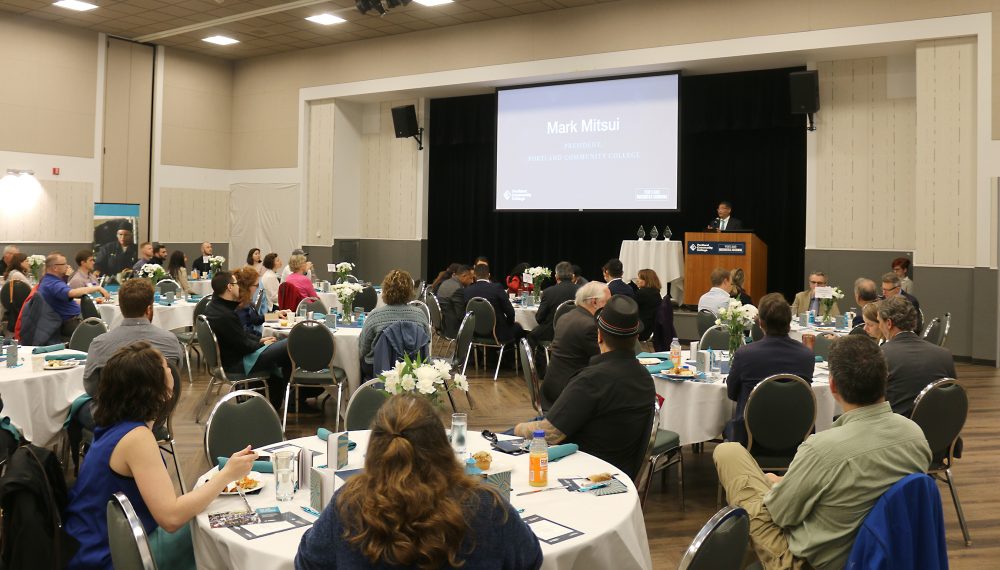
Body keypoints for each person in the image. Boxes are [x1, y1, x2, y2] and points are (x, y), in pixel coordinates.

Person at [713, 335, 931, 570]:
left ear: (833, 385)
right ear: (885, 380)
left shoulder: (822, 449)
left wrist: (774, 485)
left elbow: (780, 516)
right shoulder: (916, 435)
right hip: (881, 553)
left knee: (728, 453)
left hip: (809, 563)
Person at [65, 342, 258, 570]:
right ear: (157, 390)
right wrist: (226, 475)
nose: (171, 370)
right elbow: (171, 518)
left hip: (90, 541)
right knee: (219, 525)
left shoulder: (114, 426)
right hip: (114, 554)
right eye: (166, 366)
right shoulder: (137, 438)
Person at [295, 395, 542, 570]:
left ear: (375, 450)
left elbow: (307, 562)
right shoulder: (486, 506)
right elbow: (530, 559)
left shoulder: (349, 505)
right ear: (442, 447)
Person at [515, 295, 655, 480]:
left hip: (583, 472)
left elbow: (549, 434)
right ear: (636, 337)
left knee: (505, 442)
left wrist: (517, 430)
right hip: (620, 472)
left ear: (599, 336)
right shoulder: (645, 377)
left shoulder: (592, 380)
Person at [724, 293, 815, 445]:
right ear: (789, 323)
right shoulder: (806, 355)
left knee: (728, 427)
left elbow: (732, 393)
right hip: (797, 437)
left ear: (760, 323)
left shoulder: (745, 354)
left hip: (751, 438)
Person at [204, 271, 294, 409]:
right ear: (230, 287)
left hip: (236, 354)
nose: (258, 289)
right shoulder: (233, 309)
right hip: (239, 361)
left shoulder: (217, 307)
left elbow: (246, 328)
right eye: (256, 285)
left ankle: (281, 400)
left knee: (284, 349)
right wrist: (260, 343)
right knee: (291, 343)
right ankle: (289, 400)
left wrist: (262, 338)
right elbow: (243, 343)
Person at [83, 279, 183, 395]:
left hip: (113, 404)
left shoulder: (99, 344)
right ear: (149, 309)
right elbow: (175, 377)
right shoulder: (170, 341)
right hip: (158, 403)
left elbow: (91, 388)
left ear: (121, 308)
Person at [878, 296, 956, 417]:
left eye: (879, 322)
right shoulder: (944, 355)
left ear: (888, 323)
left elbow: (870, 402)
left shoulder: (880, 355)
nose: (879, 327)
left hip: (897, 426)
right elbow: (952, 398)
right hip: (937, 425)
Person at [540, 281, 610, 409]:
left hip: (551, 385)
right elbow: (605, 360)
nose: (609, 307)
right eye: (607, 302)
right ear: (594, 302)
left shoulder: (565, 317)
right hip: (568, 392)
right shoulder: (589, 326)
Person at [358, 270, 430, 378]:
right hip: (413, 368)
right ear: (410, 291)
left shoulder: (375, 316)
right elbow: (426, 342)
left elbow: (363, 349)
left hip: (378, 369)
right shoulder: (420, 315)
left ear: (385, 290)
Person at [38, 252, 109, 338]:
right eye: (64, 264)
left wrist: (93, 300)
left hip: (70, 321)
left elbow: (70, 300)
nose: (67, 266)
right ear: (55, 268)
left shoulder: (50, 281)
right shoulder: (53, 283)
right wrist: (97, 288)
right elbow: (71, 293)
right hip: (68, 324)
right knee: (103, 333)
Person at [461, 263, 525, 344]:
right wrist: (509, 324)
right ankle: (511, 352)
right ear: (489, 275)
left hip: (475, 335)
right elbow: (510, 312)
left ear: (475, 276)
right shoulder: (497, 288)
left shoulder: (467, 291)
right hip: (498, 335)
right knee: (518, 328)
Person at [529, 261, 580, 344]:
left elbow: (539, 318)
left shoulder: (548, 292)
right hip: (576, 332)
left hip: (552, 333)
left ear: (556, 276)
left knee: (531, 335)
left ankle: (541, 352)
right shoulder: (581, 291)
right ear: (572, 276)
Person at [436, 264, 472, 338]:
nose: (471, 281)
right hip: (453, 328)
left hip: (444, 324)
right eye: (470, 278)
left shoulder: (446, 282)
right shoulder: (457, 288)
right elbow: (460, 315)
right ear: (464, 276)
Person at [234, 266, 266, 337]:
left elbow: (256, 319)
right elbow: (245, 334)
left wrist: (275, 315)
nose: (258, 288)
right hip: (250, 341)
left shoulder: (245, 302)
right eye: (257, 285)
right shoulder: (241, 306)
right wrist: (261, 339)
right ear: (247, 287)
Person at [634, 268, 663, 341]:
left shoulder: (642, 293)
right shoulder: (656, 292)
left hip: (641, 329)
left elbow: (630, 308)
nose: (637, 280)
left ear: (647, 280)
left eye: (640, 278)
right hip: (649, 328)